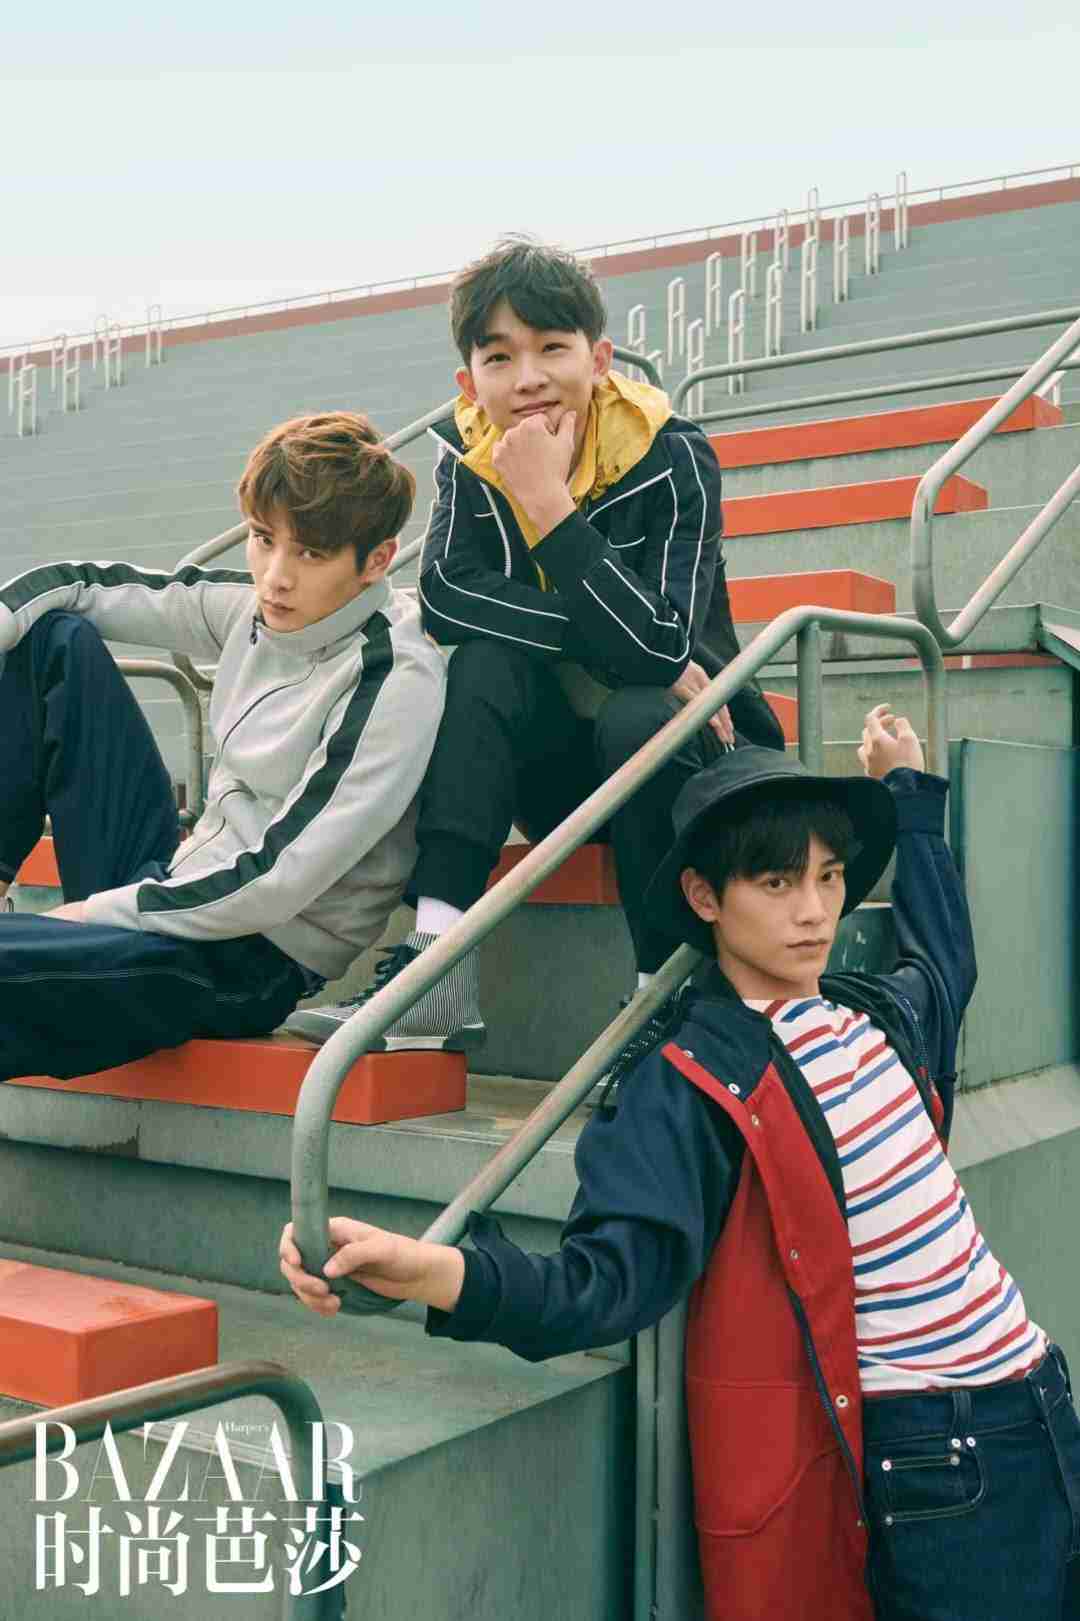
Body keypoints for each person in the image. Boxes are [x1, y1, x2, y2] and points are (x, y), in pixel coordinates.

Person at [280, 706, 1080, 1621]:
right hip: (941, 1458)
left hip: (1042, 1398)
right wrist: (433, 1272)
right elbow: (603, 1280)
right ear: (705, 896)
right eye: (777, 882)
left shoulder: (872, 1015)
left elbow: (944, 967)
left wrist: (909, 791)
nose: (814, 910)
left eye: (827, 876)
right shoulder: (693, 1079)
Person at [287, 237, 783, 1051]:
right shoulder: (471, 456)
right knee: (484, 665)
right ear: (469, 381)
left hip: (689, 767)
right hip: (563, 779)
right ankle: (436, 973)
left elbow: (664, 645)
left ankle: (662, 1003)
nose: (527, 378)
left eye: (552, 348)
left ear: (599, 359)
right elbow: (447, 597)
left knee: (638, 709)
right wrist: (608, 644)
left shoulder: (672, 453)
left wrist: (549, 507)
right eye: (499, 357)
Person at [0, 411, 446, 1084]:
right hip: (172, 881)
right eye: (265, 540)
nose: (276, 577)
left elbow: (276, 880)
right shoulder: (255, 608)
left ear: (377, 561)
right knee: (48, 637)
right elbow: (84, 584)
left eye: (311, 554)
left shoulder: (392, 677)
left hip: (246, 956)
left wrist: (89, 915)